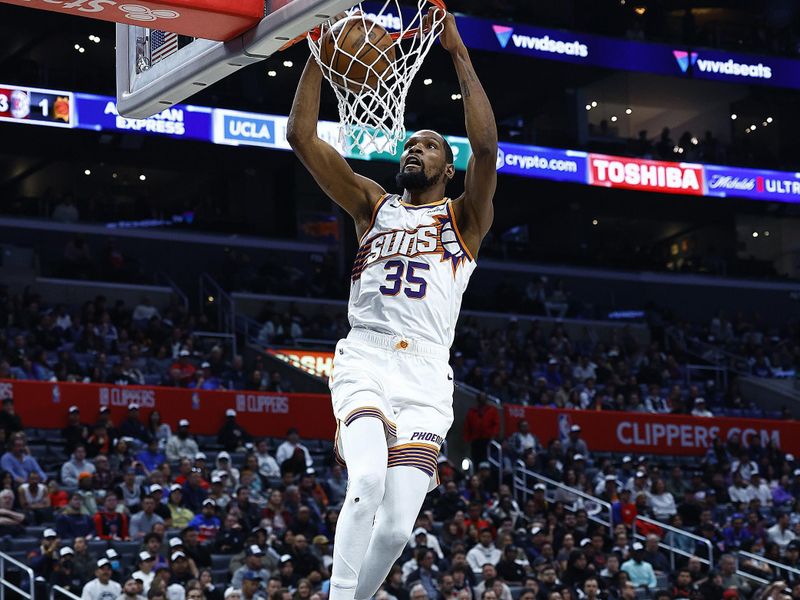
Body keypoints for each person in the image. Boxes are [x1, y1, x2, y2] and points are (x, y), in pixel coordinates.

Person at [288, 10, 496, 600]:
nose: (416, 150)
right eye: (410, 144)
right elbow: (301, 139)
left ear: (446, 168)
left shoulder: (465, 219)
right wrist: (318, 53)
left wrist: (457, 51)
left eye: (429, 147)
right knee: (368, 480)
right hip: (368, 358)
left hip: (427, 372)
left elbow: (486, 147)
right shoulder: (371, 206)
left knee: (399, 525)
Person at [463, 393, 501, 463]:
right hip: (475, 439)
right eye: (480, 398)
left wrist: (494, 435)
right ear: (478, 399)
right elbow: (467, 426)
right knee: (476, 459)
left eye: (484, 398)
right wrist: (467, 439)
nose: (482, 400)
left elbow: (496, 424)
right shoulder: (472, 411)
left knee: (487, 459)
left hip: (488, 439)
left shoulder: (492, 410)